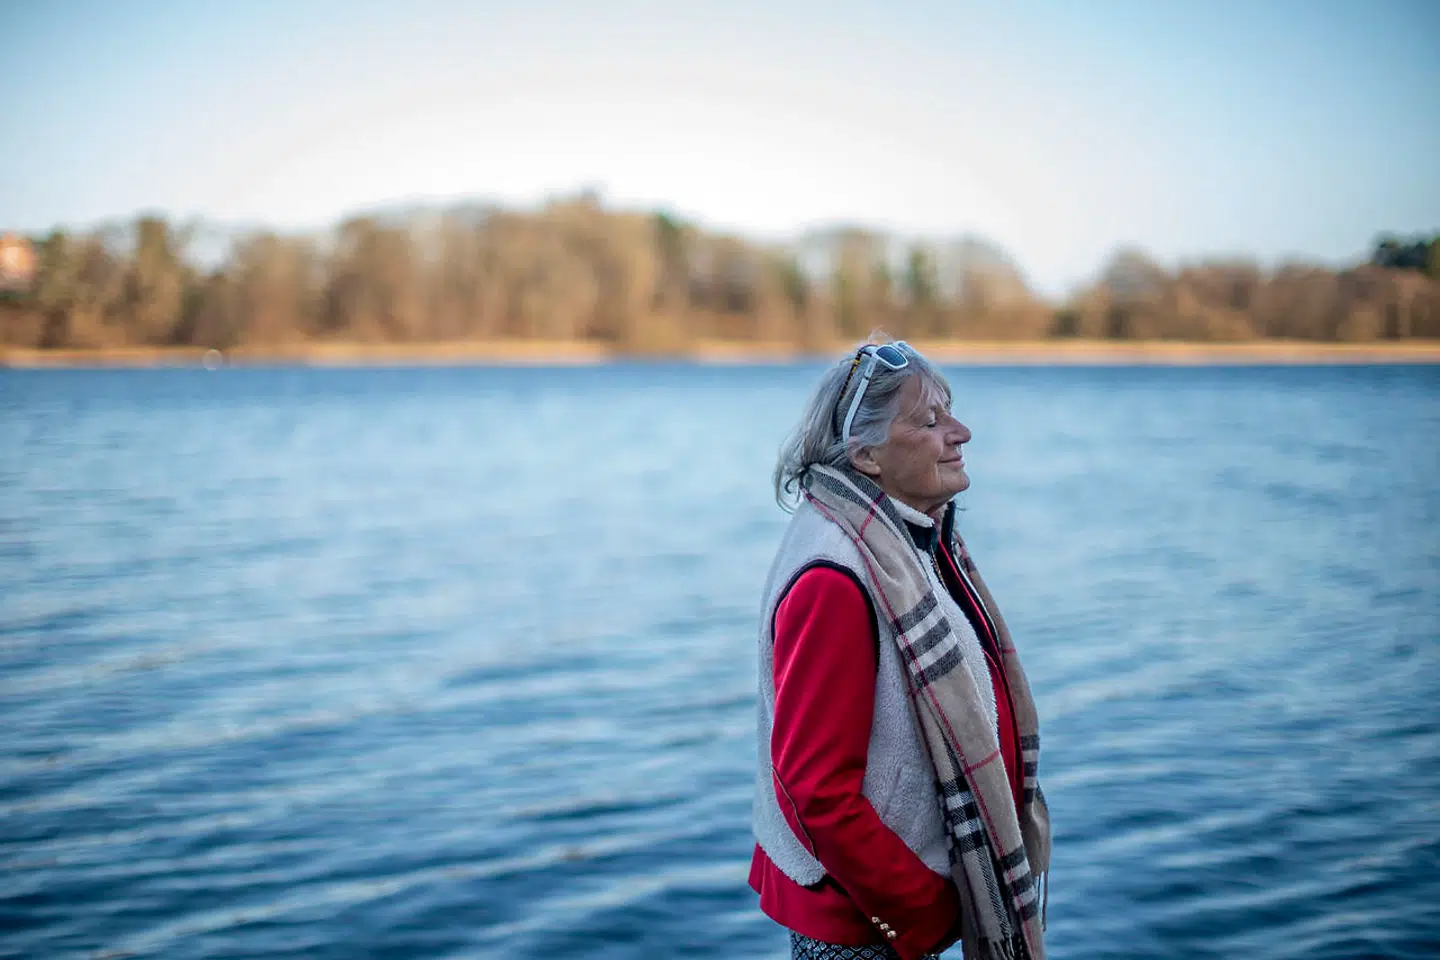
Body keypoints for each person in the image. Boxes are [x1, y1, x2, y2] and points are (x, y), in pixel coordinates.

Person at [749, 340, 1051, 960]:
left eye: (950, 413)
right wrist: (924, 909)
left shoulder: (904, 538)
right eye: (931, 421)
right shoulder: (836, 577)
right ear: (866, 455)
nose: (961, 433)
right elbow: (816, 791)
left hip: (892, 903)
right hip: (862, 921)